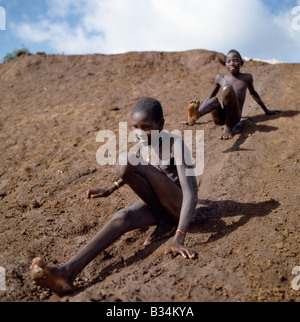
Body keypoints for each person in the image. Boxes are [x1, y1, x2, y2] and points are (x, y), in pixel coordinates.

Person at [30, 97, 199, 295]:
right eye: (134, 127)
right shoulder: (145, 142)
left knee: (125, 160)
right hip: (161, 206)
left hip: (179, 208)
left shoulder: (175, 144)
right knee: (122, 216)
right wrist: (111, 188)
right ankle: (66, 273)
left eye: (146, 127)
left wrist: (180, 238)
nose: (139, 133)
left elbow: (191, 194)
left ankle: (168, 223)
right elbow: (144, 172)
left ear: (160, 124)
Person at [184, 49, 278, 139]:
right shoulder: (220, 77)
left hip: (235, 116)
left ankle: (228, 127)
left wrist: (266, 110)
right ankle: (195, 116)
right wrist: (198, 111)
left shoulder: (246, 78)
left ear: (241, 62)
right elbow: (209, 97)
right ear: (225, 64)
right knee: (214, 100)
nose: (232, 63)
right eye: (228, 61)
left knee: (227, 88)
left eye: (235, 60)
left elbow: (253, 93)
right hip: (220, 118)